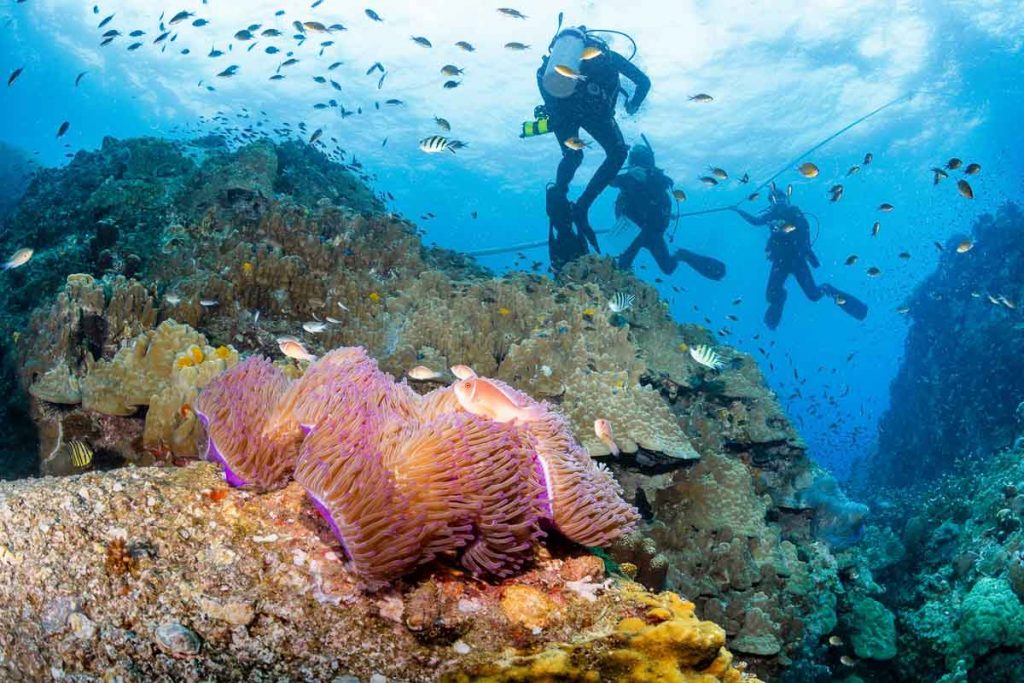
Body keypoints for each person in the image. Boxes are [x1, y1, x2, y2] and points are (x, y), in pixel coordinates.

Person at [538, 27, 650, 262]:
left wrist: (553, 111)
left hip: (562, 106)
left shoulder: (557, 61)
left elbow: (544, 78)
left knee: (572, 157)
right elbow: (644, 82)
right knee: (617, 153)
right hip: (594, 111)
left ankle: (559, 199)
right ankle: (581, 208)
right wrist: (633, 105)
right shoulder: (606, 55)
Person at [731, 187, 868, 329]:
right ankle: (778, 307)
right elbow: (756, 221)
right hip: (780, 261)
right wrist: (738, 210)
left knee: (814, 295)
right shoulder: (771, 214)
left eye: (781, 198)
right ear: (771, 202)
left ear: (786, 199)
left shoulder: (794, 212)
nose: (779, 201)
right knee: (771, 294)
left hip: (797, 260)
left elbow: (804, 232)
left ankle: (827, 288)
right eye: (775, 199)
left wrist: (798, 244)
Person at [611, 143, 726, 280]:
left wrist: (631, 176)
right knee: (661, 268)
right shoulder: (643, 178)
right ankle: (682, 255)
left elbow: (609, 181)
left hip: (641, 232)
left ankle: (683, 255)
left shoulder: (647, 177)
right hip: (641, 232)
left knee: (632, 268)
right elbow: (611, 181)